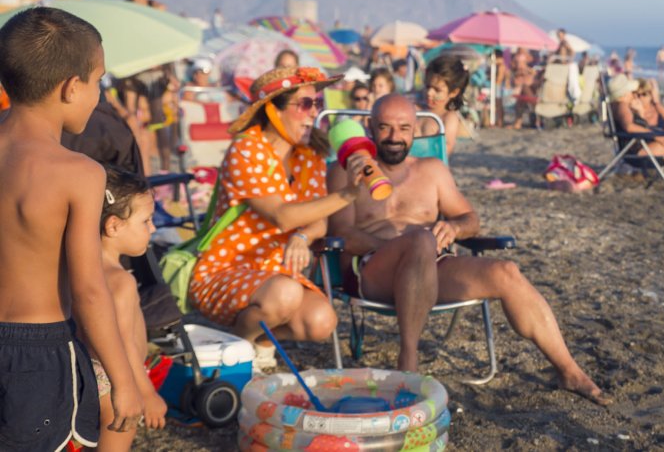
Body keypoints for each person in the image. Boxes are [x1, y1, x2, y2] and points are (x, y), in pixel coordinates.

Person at [326, 95, 609, 403]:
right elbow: (343, 237)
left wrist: (456, 228)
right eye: (385, 127)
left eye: (403, 128)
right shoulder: (346, 171)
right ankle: (409, 360)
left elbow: (470, 218)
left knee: (506, 272)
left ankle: (570, 372)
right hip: (371, 270)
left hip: (430, 265)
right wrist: (403, 245)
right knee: (421, 239)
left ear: (414, 129)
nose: (395, 137)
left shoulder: (432, 170)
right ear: (370, 126)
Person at [0, 7, 144, 448]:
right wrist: (123, 381)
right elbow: (89, 289)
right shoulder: (78, 173)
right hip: (38, 350)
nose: (99, 93)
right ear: (71, 87)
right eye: (99, 80)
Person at [187, 67, 368, 366]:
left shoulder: (309, 155)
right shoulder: (245, 150)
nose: (315, 113)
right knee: (284, 293)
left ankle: (258, 338)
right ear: (273, 110)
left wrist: (303, 236)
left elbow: (317, 219)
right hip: (225, 270)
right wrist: (347, 194)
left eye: (317, 103)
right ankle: (233, 354)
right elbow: (281, 217)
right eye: (306, 104)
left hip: (279, 275)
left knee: (322, 320)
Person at [86, 168, 169, 450]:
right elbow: (122, 345)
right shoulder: (120, 281)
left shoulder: (81, 269)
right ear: (114, 226)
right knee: (118, 437)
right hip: (110, 381)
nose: (153, 228)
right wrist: (145, 392)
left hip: (85, 374)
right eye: (146, 221)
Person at [120, 0, 179, 172]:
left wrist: (171, 74)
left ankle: (165, 171)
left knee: (159, 124)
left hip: (155, 73)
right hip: (131, 74)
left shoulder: (157, 9)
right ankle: (138, 171)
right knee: (132, 122)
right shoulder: (124, 10)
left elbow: (166, 45)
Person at [419, 55, 469, 155]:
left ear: (453, 92)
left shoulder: (448, 118)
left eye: (437, 90)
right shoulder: (417, 109)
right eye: (427, 86)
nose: (429, 93)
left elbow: (444, 151)